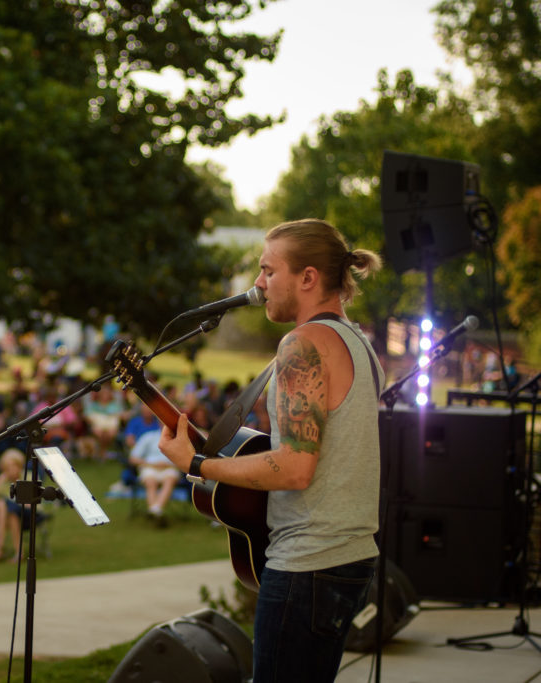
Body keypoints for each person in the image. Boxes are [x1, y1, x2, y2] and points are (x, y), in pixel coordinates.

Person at [159, 218, 384, 683]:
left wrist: (198, 464)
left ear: (308, 278)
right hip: (347, 555)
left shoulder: (303, 346)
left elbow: (295, 467)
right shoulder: (357, 342)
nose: (258, 284)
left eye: (268, 270)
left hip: (308, 563)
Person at [128, 429, 181, 524]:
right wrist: (151, 464)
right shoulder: (148, 437)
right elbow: (133, 458)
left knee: (170, 479)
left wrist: (169, 464)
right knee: (150, 482)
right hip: (150, 466)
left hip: (170, 467)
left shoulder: (179, 439)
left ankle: (154, 510)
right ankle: (157, 511)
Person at [0, 448, 26, 563]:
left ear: (20, 465)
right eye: (7, 468)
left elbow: (28, 504)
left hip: (28, 515)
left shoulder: (27, 477)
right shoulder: (4, 481)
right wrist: (0, 481)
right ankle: (18, 552)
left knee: (3, 505)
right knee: (6, 509)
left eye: (14, 465)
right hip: (8, 517)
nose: (11, 470)